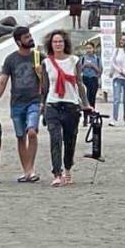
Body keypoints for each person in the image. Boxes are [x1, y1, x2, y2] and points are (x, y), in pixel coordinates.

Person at [0, 25, 42, 183]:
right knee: (20, 136)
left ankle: (31, 169)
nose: (30, 38)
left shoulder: (38, 56)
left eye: (30, 35)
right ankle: (26, 171)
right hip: (16, 103)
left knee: (32, 132)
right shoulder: (11, 59)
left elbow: (47, 81)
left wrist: (40, 75)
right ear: (18, 42)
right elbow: (2, 83)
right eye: (26, 37)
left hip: (34, 101)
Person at [41, 29, 91, 187]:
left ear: (65, 43)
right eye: (55, 42)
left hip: (71, 105)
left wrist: (86, 104)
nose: (57, 44)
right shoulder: (46, 63)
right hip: (52, 104)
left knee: (70, 140)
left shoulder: (74, 60)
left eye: (60, 41)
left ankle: (68, 167)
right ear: (50, 44)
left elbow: (79, 83)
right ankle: (57, 173)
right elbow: (45, 87)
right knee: (55, 139)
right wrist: (42, 106)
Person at [78, 42, 102, 112]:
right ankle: (85, 117)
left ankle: (92, 115)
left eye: (90, 48)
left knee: (92, 98)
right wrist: (84, 65)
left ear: (93, 49)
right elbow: (78, 70)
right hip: (85, 79)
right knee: (85, 98)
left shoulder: (97, 59)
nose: (88, 50)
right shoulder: (82, 58)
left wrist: (93, 66)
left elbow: (100, 71)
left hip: (94, 79)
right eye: (87, 48)